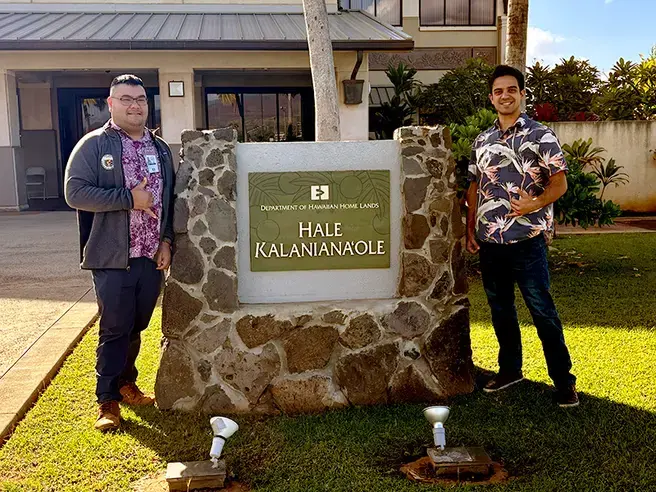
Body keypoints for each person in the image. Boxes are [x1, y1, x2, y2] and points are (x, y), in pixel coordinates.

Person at [65, 74, 176, 430]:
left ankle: (127, 383)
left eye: (141, 99)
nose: (135, 105)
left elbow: (169, 202)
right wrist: (129, 199)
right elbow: (75, 193)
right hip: (113, 258)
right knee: (114, 327)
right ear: (111, 104)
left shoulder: (160, 148)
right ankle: (107, 400)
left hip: (149, 256)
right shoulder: (94, 145)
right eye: (126, 99)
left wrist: (167, 241)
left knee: (137, 325)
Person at [465, 65, 578, 408]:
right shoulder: (482, 141)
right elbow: (474, 187)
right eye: (498, 91)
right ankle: (510, 370)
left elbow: (560, 182)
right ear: (491, 98)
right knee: (500, 310)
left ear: (522, 94)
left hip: (527, 240)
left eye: (511, 89)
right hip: (490, 241)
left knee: (542, 311)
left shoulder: (540, 135)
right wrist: (470, 228)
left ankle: (564, 381)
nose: (505, 96)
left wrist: (536, 202)